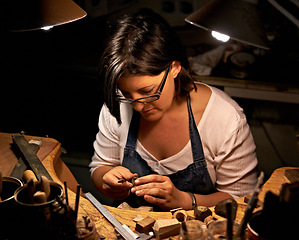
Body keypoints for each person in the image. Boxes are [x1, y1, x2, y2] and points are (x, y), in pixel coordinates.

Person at [89, 8, 258, 211]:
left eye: (148, 91)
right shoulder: (118, 107)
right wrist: (106, 180)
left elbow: (242, 199)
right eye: (126, 93)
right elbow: (100, 166)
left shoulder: (224, 118)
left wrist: (185, 201)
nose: (137, 105)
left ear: (175, 68)